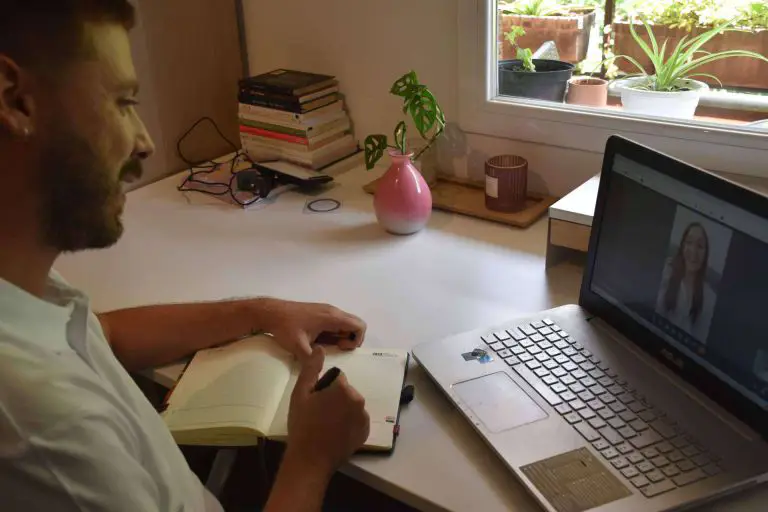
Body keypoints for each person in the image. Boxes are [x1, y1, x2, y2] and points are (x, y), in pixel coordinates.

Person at [0, 2, 370, 511]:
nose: (145, 141)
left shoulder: (22, 284)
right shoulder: (43, 425)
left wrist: (260, 312)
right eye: (122, 103)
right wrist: (312, 456)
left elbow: (105, 334)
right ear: (14, 99)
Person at [655, 222, 716, 342]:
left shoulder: (710, 298)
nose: (693, 251)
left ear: (706, 254)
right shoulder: (666, 273)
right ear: (682, 246)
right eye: (689, 242)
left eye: (700, 246)